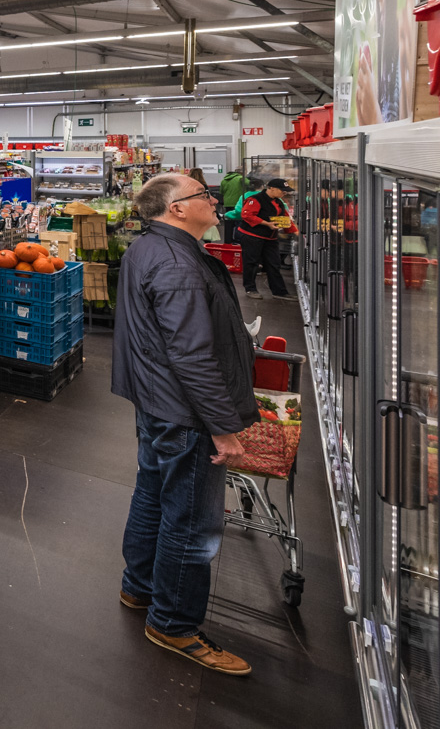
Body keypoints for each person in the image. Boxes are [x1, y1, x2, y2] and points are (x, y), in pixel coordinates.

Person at [113, 172, 259, 676]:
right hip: (185, 411)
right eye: (201, 194)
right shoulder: (176, 263)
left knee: (152, 492)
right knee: (193, 521)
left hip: (156, 401)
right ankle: (173, 623)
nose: (213, 200)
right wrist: (222, 425)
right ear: (175, 208)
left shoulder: (148, 249)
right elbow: (192, 355)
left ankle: (139, 587)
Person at [236, 178, 298, 299]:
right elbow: (247, 215)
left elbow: (285, 218)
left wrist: (295, 232)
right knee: (252, 262)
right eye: (282, 190)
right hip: (252, 236)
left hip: (270, 238)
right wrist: (266, 223)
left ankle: (279, 291)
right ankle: (250, 289)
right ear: (272, 188)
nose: (284, 193)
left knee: (274, 263)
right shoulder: (256, 199)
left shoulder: (278, 202)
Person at [219, 170, 249, 243]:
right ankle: (238, 240)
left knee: (229, 223)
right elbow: (250, 184)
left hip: (227, 203)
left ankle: (228, 240)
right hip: (238, 203)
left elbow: (221, 192)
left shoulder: (224, 180)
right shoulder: (241, 178)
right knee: (239, 222)